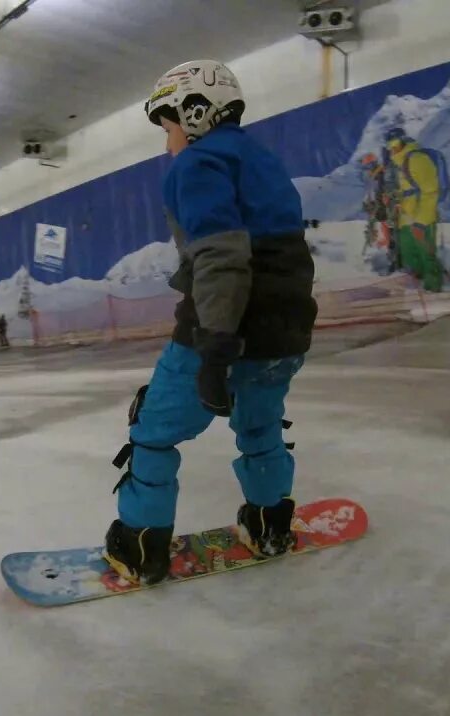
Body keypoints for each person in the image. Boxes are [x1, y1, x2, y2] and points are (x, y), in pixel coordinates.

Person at [102, 59, 318, 585]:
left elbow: (221, 256)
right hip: (286, 332)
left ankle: (141, 547)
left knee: (153, 430)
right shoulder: (264, 163)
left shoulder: (196, 165)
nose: (168, 143)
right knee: (261, 426)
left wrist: (216, 344)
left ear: (195, 114)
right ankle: (270, 524)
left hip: (219, 329)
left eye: (169, 126)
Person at [384, 127, 448, 292]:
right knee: (410, 256)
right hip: (405, 218)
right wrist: (396, 198)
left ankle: (433, 291)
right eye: (389, 146)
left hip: (421, 219)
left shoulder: (417, 159)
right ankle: (417, 290)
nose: (392, 148)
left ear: (403, 141)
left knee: (426, 256)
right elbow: (408, 189)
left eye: (395, 144)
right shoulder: (399, 162)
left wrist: (421, 222)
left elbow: (431, 191)